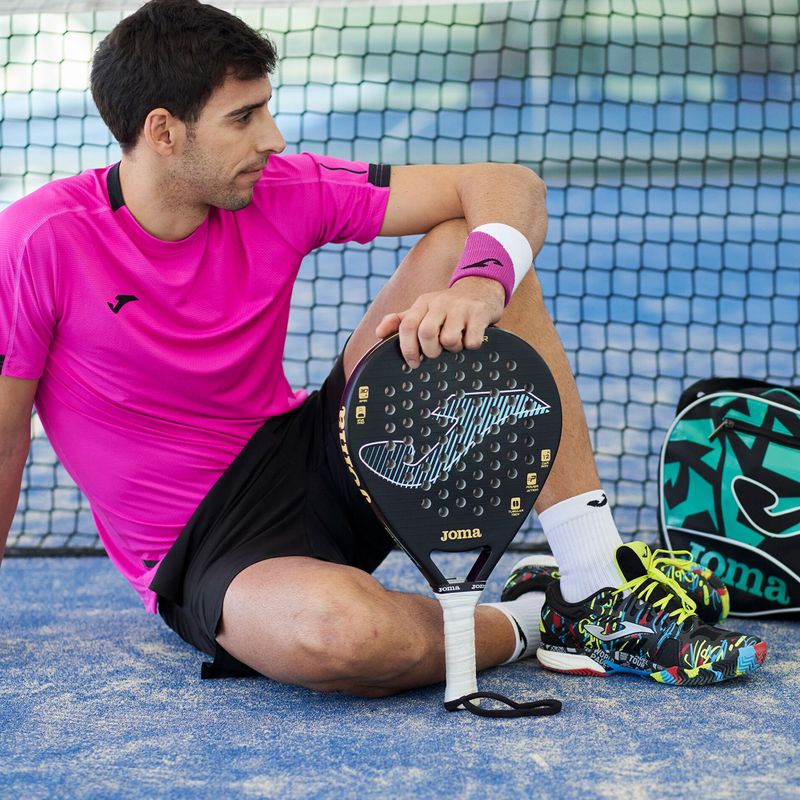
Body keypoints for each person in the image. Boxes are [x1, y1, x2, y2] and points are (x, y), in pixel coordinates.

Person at [0, 0, 765, 693]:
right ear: (164, 131)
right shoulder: (38, 242)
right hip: (203, 550)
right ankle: (540, 618)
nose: (273, 138)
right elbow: (5, 441)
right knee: (349, 638)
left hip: (318, 453)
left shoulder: (279, 187)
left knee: (475, 243)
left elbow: (504, 183)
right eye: (244, 118)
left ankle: (596, 579)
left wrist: (480, 285)